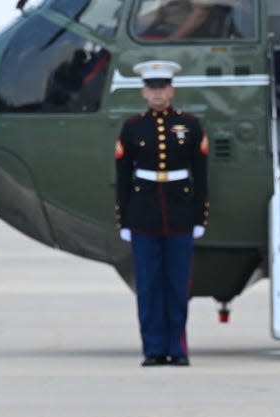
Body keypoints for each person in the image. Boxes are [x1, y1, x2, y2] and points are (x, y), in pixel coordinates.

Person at [115, 60, 210, 367]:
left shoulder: (190, 125)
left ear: (171, 89)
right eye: (152, 88)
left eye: (162, 87)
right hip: (143, 216)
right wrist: (124, 220)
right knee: (148, 285)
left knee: (177, 285)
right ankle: (154, 349)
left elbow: (201, 175)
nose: (157, 93)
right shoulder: (132, 127)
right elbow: (122, 176)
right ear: (144, 92)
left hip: (180, 215)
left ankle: (178, 349)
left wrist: (199, 218)